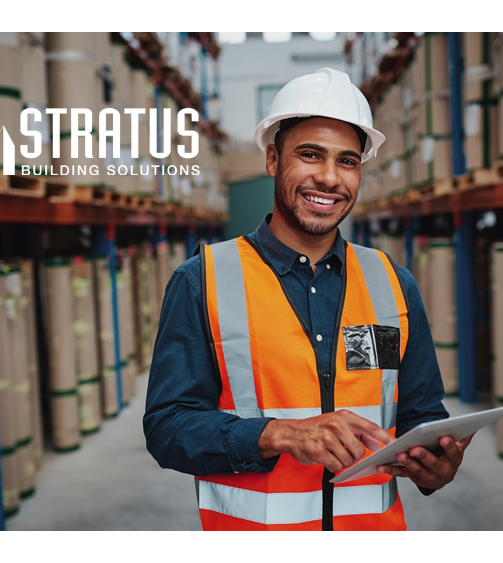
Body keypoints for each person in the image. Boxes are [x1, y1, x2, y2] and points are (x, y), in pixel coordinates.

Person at [143, 68, 473, 531]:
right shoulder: (203, 280)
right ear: (273, 160)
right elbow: (167, 429)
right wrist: (276, 434)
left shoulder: (393, 283)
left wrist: (436, 466)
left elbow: (422, 416)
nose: (329, 178)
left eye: (348, 161)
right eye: (311, 155)